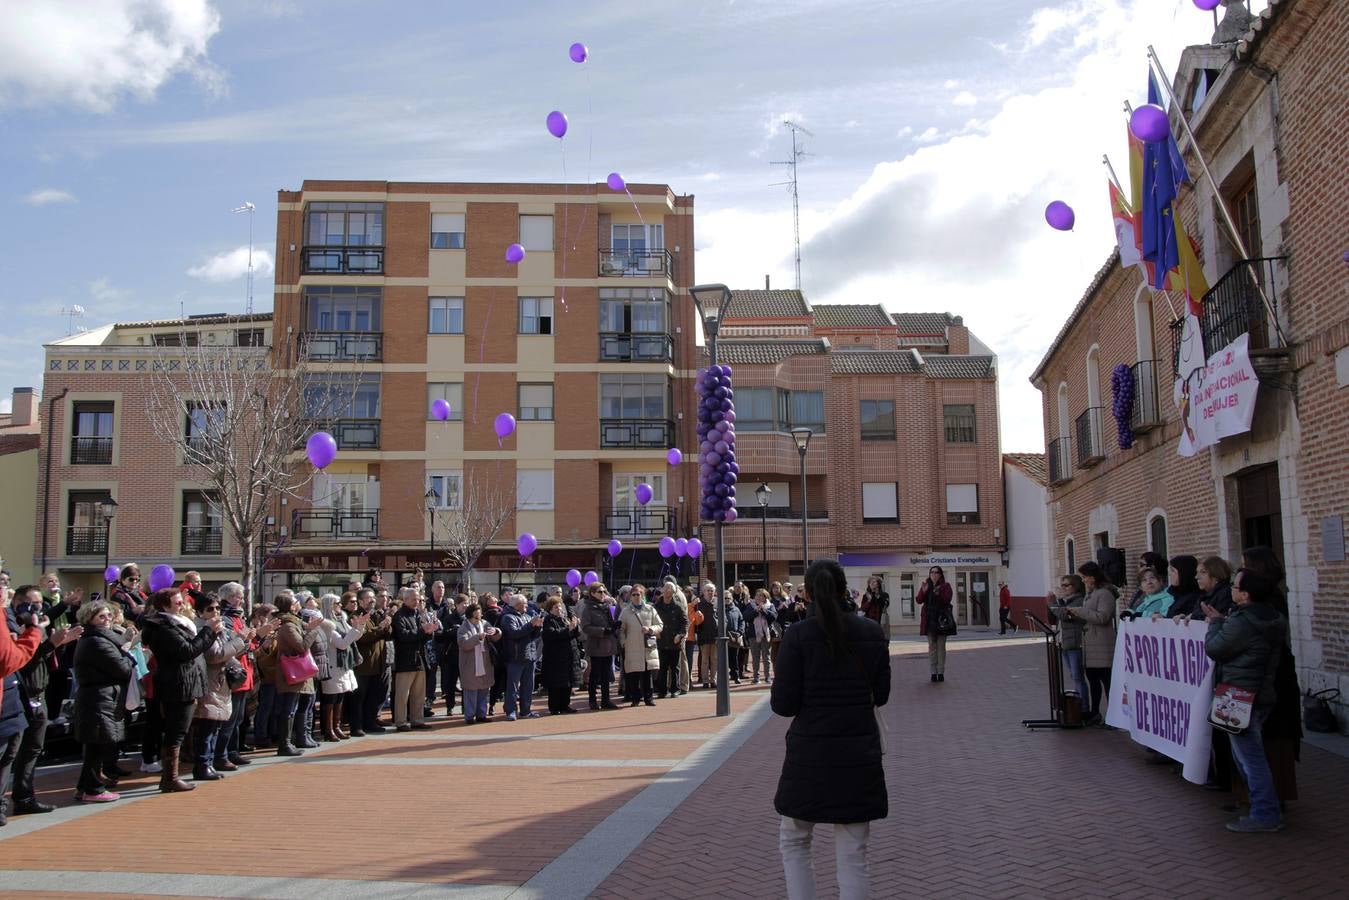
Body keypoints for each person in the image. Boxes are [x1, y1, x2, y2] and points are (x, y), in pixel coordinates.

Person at [772, 559, 891, 900]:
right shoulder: (871, 632)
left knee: (794, 839)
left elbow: (783, 705)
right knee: (854, 853)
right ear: (844, 590)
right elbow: (880, 695)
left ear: (807, 593)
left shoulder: (798, 635)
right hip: (859, 753)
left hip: (810, 754)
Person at [1202, 568, 1287, 832]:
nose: (1232, 590)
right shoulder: (1274, 617)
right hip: (1260, 693)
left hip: (1240, 696)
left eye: (1236, 587)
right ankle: (1262, 806)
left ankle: (1266, 814)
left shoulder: (1243, 622)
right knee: (1246, 755)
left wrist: (1216, 624)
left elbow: (1215, 648)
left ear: (1246, 594)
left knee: (1250, 758)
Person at [139, 587, 222, 792]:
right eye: (177, 602)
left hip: (186, 680)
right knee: (175, 732)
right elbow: (187, 651)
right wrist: (208, 631)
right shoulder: (163, 627)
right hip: (177, 684)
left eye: (181, 602)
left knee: (179, 731)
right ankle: (170, 778)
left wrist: (209, 633)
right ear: (164, 605)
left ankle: (171, 777)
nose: (182, 605)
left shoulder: (175, 623)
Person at [1238, 546, 1301, 807]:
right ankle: (1255, 796)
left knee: (1270, 740)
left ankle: (1271, 799)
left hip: (1271, 678)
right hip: (1265, 676)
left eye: (1244, 565)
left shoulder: (1269, 602)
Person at [68, 601, 132, 803]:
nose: (107, 620)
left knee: (97, 744)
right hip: (98, 698)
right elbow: (123, 668)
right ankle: (93, 789)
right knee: (96, 745)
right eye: (101, 617)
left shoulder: (102, 638)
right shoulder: (96, 641)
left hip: (103, 696)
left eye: (108, 616)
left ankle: (84, 787)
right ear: (90, 619)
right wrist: (129, 654)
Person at [190, 594, 247, 781]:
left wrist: (243, 642)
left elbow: (227, 652)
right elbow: (215, 655)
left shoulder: (219, 628)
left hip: (221, 682)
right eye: (210, 609)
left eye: (217, 609)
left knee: (215, 726)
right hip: (209, 682)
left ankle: (210, 762)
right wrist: (239, 641)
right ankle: (202, 765)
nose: (215, 612)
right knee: (207, 727)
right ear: (200, 612)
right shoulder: (201, 629)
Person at [1069, 561, 1118, 726]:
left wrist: (1082, 612)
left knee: (1107, 682)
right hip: (1090, 643)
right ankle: (1095, 712)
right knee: (1093, 681)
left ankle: (1113, 716)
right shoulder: (1091, 593)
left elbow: (1103, 617)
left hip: (1102, 644)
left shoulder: (1104, 594)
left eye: (1084, 577)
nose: (1082, 581)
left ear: (1092, 577)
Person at [316, 593, 368, 742]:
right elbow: (342, 643)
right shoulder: (327, 624)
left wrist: (359, 626)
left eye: (339, 603)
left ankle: (336, 726)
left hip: (344, 664)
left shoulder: (342, 620)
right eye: (336, 603)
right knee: (330, 698)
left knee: (340, 697)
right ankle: (328, 729)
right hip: (333, 663)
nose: (339, 606)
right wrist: (355, 629)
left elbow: (353, 638)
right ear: (328, 605)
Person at [390, 587, 435, 731]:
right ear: (405, 600)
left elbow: (423, 636)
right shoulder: (399, 616)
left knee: (419, 693)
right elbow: (403, 635)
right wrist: (423, 631)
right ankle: (401, 722)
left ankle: (417, 719)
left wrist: (429, 631)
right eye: (414, 599)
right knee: (403, 694)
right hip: (405, 660)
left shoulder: (418, 614)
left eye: (419, 599)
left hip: (419, 659)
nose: (417, 602)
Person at [1047, 575, 1088, 716]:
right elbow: (1054, 617)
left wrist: (1053, 604)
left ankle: (1083, 709)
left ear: (1075, 586)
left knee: (1078, 676)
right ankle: (1077, 708)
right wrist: (1053, 604)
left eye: (1067, 585)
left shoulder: (1079, 600)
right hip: (1064, 641)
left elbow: (1065, 615)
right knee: (1072, 675)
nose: (1063, 588)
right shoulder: (1064, 600)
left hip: (1075, 643)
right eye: (1062, 585)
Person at [353, 588, 392, 734]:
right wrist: (380, 628)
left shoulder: (376, 615)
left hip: (378, 662)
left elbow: (388, 634)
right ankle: (357, 726)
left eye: (372, 598)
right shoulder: (356, 616)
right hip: (364, 664)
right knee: (360, 697)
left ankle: (370, 722)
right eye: (368, 599)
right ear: (360, 601)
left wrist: (386, 625)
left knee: (375, 695)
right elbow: (363, 636)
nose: (372, 601)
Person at [500, 593, 544, 721]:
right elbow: (514, 634)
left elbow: (533, 636)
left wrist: (537, 627)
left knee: (528, 686)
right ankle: (511, 711)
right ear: (517, 605)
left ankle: (526, 710)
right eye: (525, 604)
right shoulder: (508, 617)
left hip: (529, 656)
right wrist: (531, 625)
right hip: (515, 657)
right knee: (512, 687)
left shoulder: (527, 616)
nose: (527, 606)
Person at [456, 603, 501, 724]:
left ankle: (481, 714)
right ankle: (469, 716)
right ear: (469, 617)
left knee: (484, 689)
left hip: (485, 662)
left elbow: (496, 638)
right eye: (476, 617)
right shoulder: (463, 628)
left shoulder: (485, 624)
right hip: (470, 664)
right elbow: (464, 644)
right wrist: (478, 638)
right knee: (471, 690)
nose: (478, 619)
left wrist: (496, 631)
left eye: (480, 616)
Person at [619, 587, 662, 707]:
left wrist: (651, 629)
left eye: (639, 594)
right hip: (632, 646)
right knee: (634, 674)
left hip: (646, 646)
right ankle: (635, 699)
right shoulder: (625, 611)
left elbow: (660, 624)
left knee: (647, 673)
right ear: (630, 596)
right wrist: (623, 642)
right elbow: (621, 629)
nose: (636, 597)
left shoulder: (650, 609)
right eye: (634, 594)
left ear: (643, 595)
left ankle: (649, 698)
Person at [581, 583, 620, 710]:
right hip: (596, 646)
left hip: (608, 645)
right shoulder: (588, 608)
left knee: (606, 674)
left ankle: (605, 700)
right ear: (592, 593)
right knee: (595, 675)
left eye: (604, 591)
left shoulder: (606, 606)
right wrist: (603, 630)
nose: (603, 594)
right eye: (600, 592)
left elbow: (611, 624)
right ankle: (592, 700)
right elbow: (586, 627)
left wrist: (614, 626)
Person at [916, 566, 954, 683]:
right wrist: (923, 590)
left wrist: (938, 594)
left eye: (937, 572)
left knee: (941, 648)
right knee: (932, 647)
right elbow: (918, 600)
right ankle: (933, 672)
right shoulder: (926, 584)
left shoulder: (945, 586)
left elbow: (947, 600)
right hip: (929, 620)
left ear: (941, 574)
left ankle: (941, 672)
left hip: (941, 620)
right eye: (932, 572)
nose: (934, 574)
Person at [746, 590, 778, 685]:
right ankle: (756, 677)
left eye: (762, 596)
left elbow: (773, 617)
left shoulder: (770, 606)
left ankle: (767, 677)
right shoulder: (750, 606)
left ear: (766, 597)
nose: (759, 597)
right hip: (753, 635)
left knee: (766, 656)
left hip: (765, 634)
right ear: (754, 597)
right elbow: (745, 617)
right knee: (755, 657)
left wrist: (763, 610)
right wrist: (755, 611)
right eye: (757, 595)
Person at [695, 583, 719, 689]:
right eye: (708, 590)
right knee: (704, 660)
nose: (710, 592)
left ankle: (713, 680)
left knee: (714, 659)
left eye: (712, 590)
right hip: (704, 635)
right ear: (703, 592)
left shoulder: (718, 603)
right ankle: (705, 680)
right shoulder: (699, 604)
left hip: (715, 636)